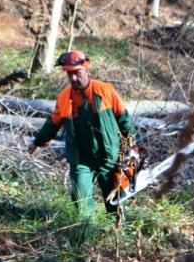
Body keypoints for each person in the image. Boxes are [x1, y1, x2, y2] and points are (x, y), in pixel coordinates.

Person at [28, 50, 136, 219]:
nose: (73, 78)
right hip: (82, 159)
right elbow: (52, 123)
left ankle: (118, 233)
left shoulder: (105, 91)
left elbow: (124, 119)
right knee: (80, 199)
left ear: (87, 70)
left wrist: (132, 146)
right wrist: (37, 142)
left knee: (116, 200)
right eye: (69, 75)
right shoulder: (64, 98)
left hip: (109, 155)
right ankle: (85, 233)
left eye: (77, 73)